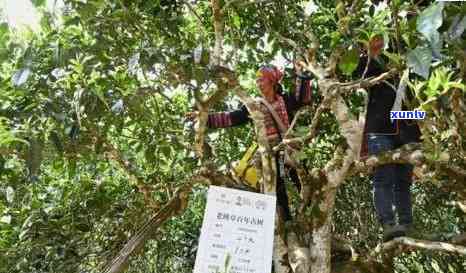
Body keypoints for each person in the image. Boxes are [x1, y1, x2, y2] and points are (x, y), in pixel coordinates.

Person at [190, 64, 317, 222]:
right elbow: (232, 118)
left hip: (292, 148)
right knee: (277, 190)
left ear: (272, 82)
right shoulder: (253, 105)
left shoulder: (285, 100)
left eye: (261, 79)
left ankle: (312, 218)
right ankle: (287, 224)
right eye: (256, 79)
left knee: (304, 182)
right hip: (270, 153)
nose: (257, 82)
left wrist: (303, 76)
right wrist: (204, 117)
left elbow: (303, 100)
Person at [358, 35, 422, 242]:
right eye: (373, 39)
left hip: (406, 132)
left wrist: (422, 117)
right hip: (379, 130)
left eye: (380, 39)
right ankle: (388, 224)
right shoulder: (369, 66)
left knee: (403, 182)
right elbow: (358, 77)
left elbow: (409, 108)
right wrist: (370, 54)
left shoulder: (405, 72)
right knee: (383, 178)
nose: (378, 42)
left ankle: (407, 224)